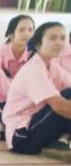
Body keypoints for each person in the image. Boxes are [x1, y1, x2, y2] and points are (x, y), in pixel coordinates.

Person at [4, 22, 71, 155]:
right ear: (37, 44)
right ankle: (60, 141)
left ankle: (60, 141)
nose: (59, 42)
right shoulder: (33, 70)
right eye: (52, 38)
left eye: (63, 38)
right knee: (66, 98)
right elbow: (60, 107)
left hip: (38, 124)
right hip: (22, 137)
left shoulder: (52, 67)